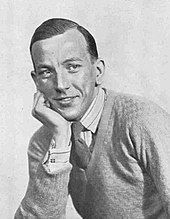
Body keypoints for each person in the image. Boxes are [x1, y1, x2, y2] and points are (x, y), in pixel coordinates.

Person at [15, 18, 170, 219]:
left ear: (97, 71)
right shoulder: (44, 141)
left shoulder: (141, 119)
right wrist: (61, 138)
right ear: (36, 81)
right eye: (46, 72)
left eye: (72, 67)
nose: (61, 84)